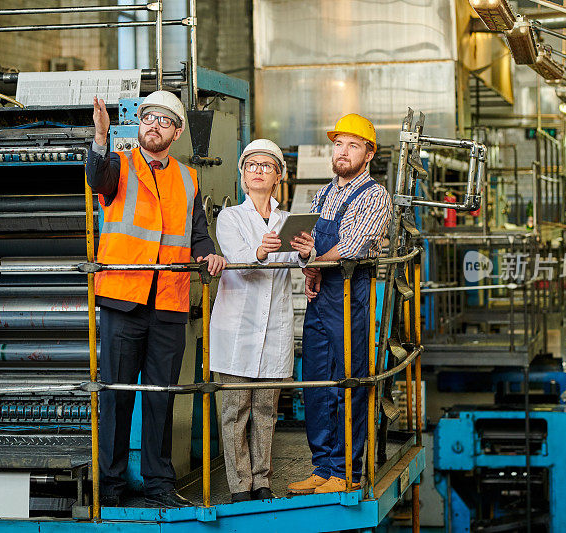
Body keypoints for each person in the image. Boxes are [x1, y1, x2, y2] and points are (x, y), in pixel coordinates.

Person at [87, 90, 227, 509]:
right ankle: (109, 486)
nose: (153, 125)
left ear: (178, 131)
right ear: (139, 124)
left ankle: (159, 484)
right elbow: (97, 178)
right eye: (148, 118)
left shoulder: (188, 177)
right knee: (116, 394)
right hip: (123, 299)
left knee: (161, 395)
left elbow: (196, 233)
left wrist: (210, 254)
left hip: (168, 301)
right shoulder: (119, 164)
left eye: (164, 121)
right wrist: (100, 137)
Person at [287, 114, 393, 495]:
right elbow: (308, 240)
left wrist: (315, 259)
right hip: (320, 297)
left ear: (368, 154)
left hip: (350, 296)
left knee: (348, 381)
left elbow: (352, 246)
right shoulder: (324, 193)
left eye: (353, 145)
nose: (343, 152)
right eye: (338, 144)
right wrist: (309, 266)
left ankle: (346, 470)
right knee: (316, 381)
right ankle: (322, 466)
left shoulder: (375, 196)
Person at [210, 139, 315, 502]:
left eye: (266, 166)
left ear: (278, 177)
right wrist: (260, 251)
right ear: (242, 176)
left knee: (267, 410)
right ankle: (240, 485)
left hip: (274, 330)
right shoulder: (230, 217)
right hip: (236, 330)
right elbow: (239, 261)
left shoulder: (289, 221)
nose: (258, 171)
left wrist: (306, 253)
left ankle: (262, 480)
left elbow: (301, 266)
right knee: (235, 411)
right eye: (251, 165)